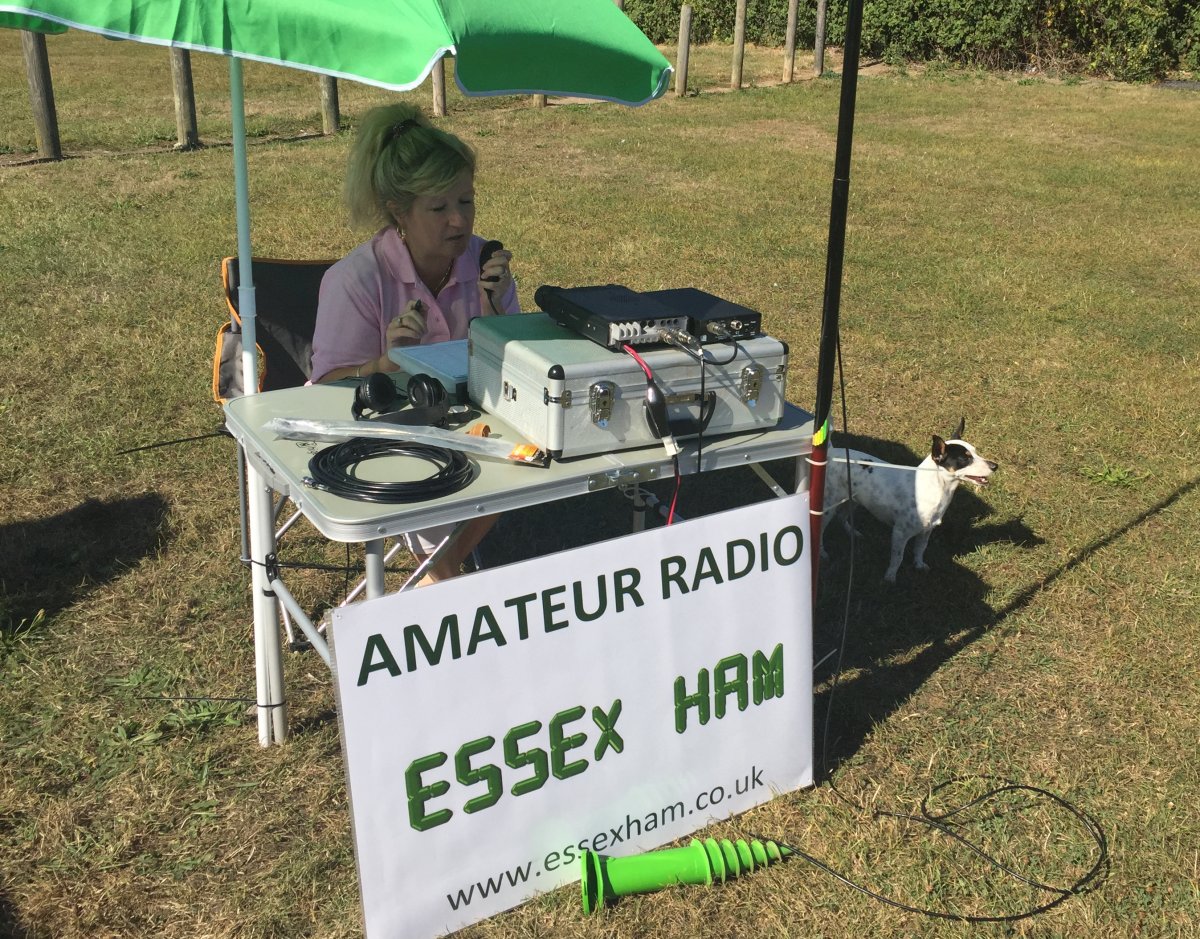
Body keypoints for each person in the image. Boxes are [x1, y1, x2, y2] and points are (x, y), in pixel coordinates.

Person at [311, 103, 518, 584]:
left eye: (466, 201)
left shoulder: (484, 265)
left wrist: (494, 312)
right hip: (385, 439)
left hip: (469, 428)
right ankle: (446, 587)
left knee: (520, 466)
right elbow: (324, 389)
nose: (458, 222)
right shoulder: (355, 281)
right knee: (432, 490)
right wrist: (384, 363)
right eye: (439, 207)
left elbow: (515, 371)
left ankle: (432, 586)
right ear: (399, 212)